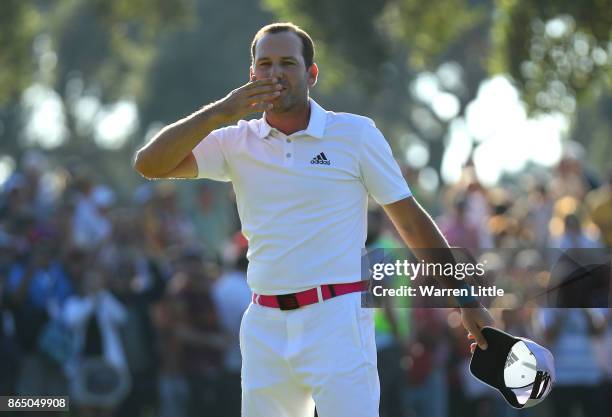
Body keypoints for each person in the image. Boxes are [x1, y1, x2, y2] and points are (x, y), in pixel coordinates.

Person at [134, 22, 493, 417]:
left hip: (337, 319)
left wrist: (465, 298)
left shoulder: (354, 134)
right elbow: (150, 163)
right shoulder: (235, 141)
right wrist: (222, 110)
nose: (275, 74)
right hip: (264, 325)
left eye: (288, 63)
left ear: (311, 74)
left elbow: (411, 221)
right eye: (264, 64)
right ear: (251, 75)